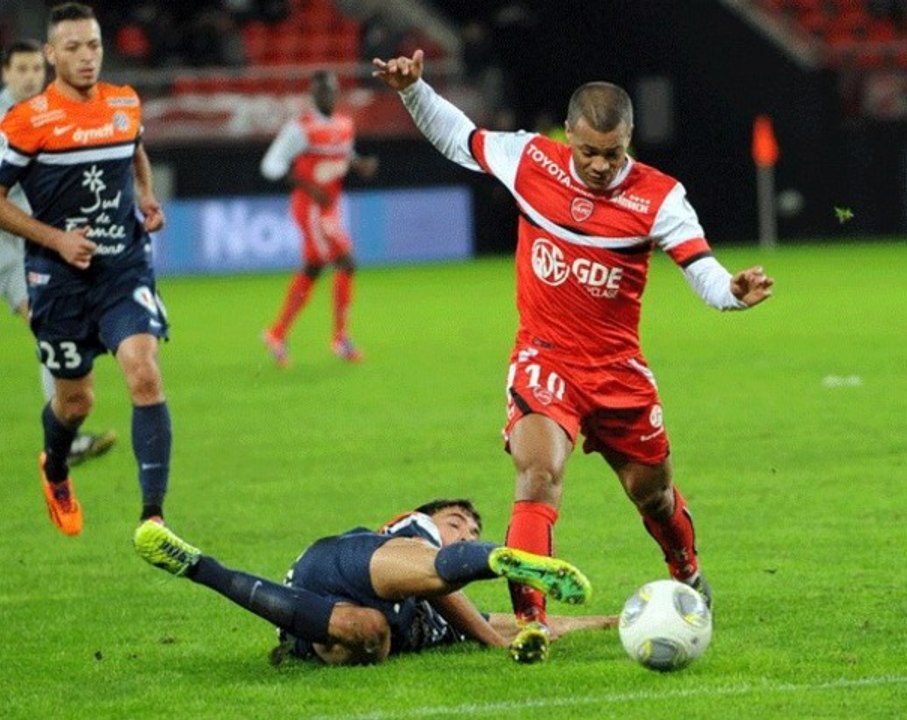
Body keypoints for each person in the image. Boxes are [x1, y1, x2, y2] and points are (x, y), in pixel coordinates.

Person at [373, 50, 775, 663]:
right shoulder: (531, 159)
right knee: (538, 476)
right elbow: (460, 137)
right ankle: (531, 622)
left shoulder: (659, 196)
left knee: (655, 497)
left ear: (629, 140)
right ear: (569, 136)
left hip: (617, 373)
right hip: (546, 359)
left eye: (612, 153)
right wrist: (414, 91)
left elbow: (702, 268)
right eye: (588, 151)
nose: (599, 165)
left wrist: (732, 294)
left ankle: (686, 569)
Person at [0, 3, 171, 536]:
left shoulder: (124, 103)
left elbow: (135, 148)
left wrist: (144, 196)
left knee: (143, 372)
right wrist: (56, 239)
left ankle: (154, 517)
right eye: (72, 47)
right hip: (59, 280)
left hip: (122, 268)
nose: (86, 56)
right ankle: (54, 465)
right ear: (52, 54)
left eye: (93, 45)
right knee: (76, 400)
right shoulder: (27, 122)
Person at [134, 498, 610, 665]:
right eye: (457, 522)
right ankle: (501, 559)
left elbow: (507, 624)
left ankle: (194, 564)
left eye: (470, 532)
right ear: (426, 515)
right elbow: (465, 609)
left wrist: (607, 622)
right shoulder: (414, 528)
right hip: (350, 564)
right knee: (427, 568)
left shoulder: (447, 615)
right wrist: (488, 641)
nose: (462, 530)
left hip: (345, 617)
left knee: (369, 636)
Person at [1, 38, 117, 467]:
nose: (31, 77)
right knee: (48, 325)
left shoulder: (49, 113)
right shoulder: (6, 122)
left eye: (36, 69)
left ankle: (65, 437)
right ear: (6, 74)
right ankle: (65, 438)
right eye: (22, 69)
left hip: (35, 240)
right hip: (8, 243)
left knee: (49, 327)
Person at [259, 69, 378, 366]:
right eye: (322, 91)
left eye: (331, 90)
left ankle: (277, 333)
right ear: (313, 94)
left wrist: (359, 164)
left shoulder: (344, 124)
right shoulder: (300, 128)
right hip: (310, 207)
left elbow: (344, 153)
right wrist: (308, 186)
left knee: (314, 267)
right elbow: (271, 165)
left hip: (328, 208)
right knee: (346, 261)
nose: (327, 95)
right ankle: (340, 339)